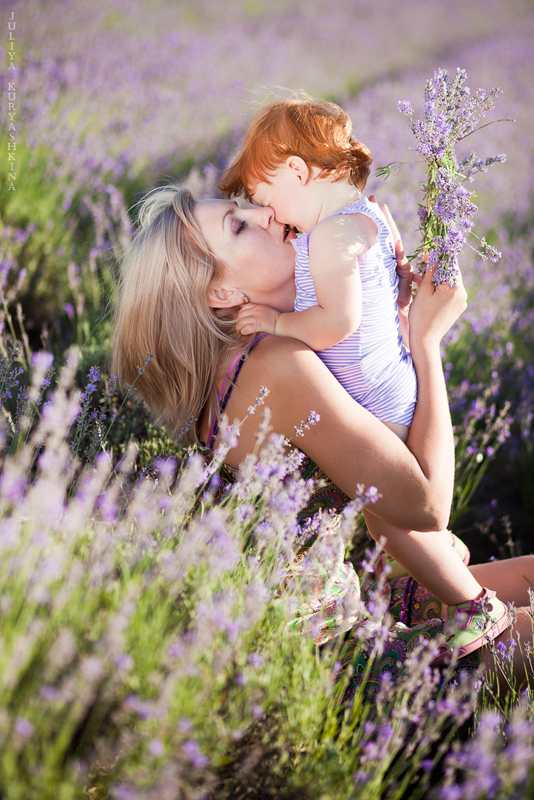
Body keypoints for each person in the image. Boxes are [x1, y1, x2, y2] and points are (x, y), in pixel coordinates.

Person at [111, 183, 533, 695]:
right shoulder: (273, 365)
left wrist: (387, 314)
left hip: (342, 605)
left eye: (246, 207)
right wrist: (426, 342)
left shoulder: (248, 358)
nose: (266, 213)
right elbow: (427, 505)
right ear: (222, 294)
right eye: (238, 225)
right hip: (325, 668)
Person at [216, 95, 509, 658]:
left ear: (297, 171)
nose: (273, 216)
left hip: (374, 395)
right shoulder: (364, 216)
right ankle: (436, 561)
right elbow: (384, 284)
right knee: (386, 523)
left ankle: (475, 606)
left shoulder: (326, 238)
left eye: (265, 199)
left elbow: (337, 323)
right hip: (386, 381)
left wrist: (276, 321)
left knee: (390, 522)